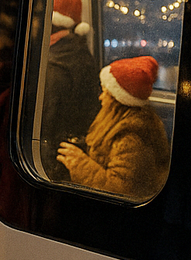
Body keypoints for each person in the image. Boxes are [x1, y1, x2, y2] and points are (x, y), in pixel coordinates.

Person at [57, 56, 170, 201]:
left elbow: (121, 190)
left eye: (105, 93)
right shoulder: (119, 121)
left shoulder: (131, 137)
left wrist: (80, 165)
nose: (100, 97)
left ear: (118, 100)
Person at [39, 0, 101, 180]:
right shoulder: (81, 53)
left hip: (55, 160)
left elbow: (46, 125)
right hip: (75, 151)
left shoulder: (52, 66)